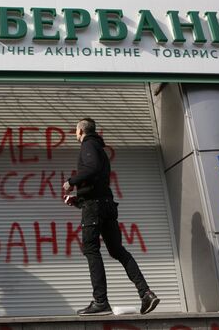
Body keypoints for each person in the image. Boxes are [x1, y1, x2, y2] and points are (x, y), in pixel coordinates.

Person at [63, 118, 160, 316]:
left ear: (80, 130)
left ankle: (101, 302)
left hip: (96, 207)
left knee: (91, 250)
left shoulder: (88, 145)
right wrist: (78, 199)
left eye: (75, 130)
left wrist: (71, 182)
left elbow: (91, 169)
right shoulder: (99, 148)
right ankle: (146, 293)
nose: (75, 133)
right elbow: (96, 182)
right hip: (105, 204)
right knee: (117, 250)